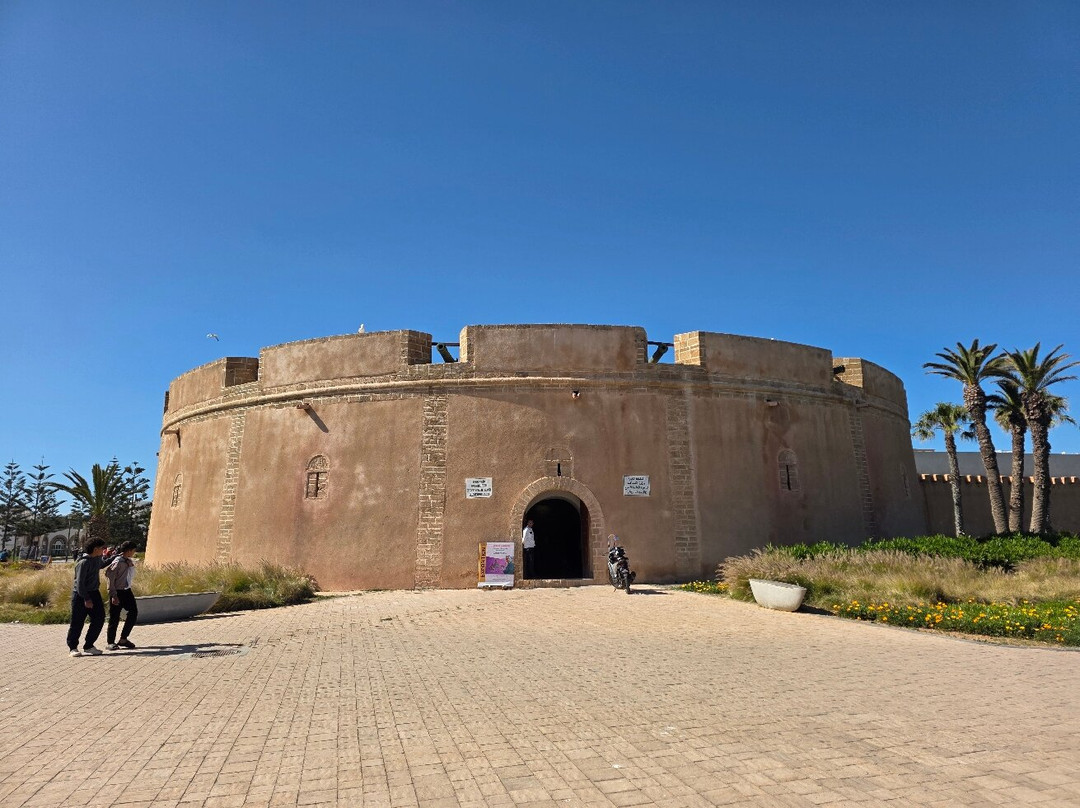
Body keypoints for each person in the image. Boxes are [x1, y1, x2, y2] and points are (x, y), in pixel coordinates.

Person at [67, 538, 109, 657]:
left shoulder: (96, 559)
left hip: (94, 593)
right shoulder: (83, 562)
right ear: (95, 549)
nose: (103, 550)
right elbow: (80, 583)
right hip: (81, 594)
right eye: (102, 548)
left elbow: (102, 564)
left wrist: (114, 557)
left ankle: (89, 645)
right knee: (77, 621)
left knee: (99, 618)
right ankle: (73, 647)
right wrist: (86, 598)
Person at [105, 541, 139, 650]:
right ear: (129, 551)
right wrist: (113, 595)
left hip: (126, 590)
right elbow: (110, 578)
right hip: (117, 592)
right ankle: (110, 642)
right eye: (133, 550)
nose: (134, 553)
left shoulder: (128, 561)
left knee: (133, 612)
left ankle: (123, 638)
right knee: (114, 617)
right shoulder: (118, 562)